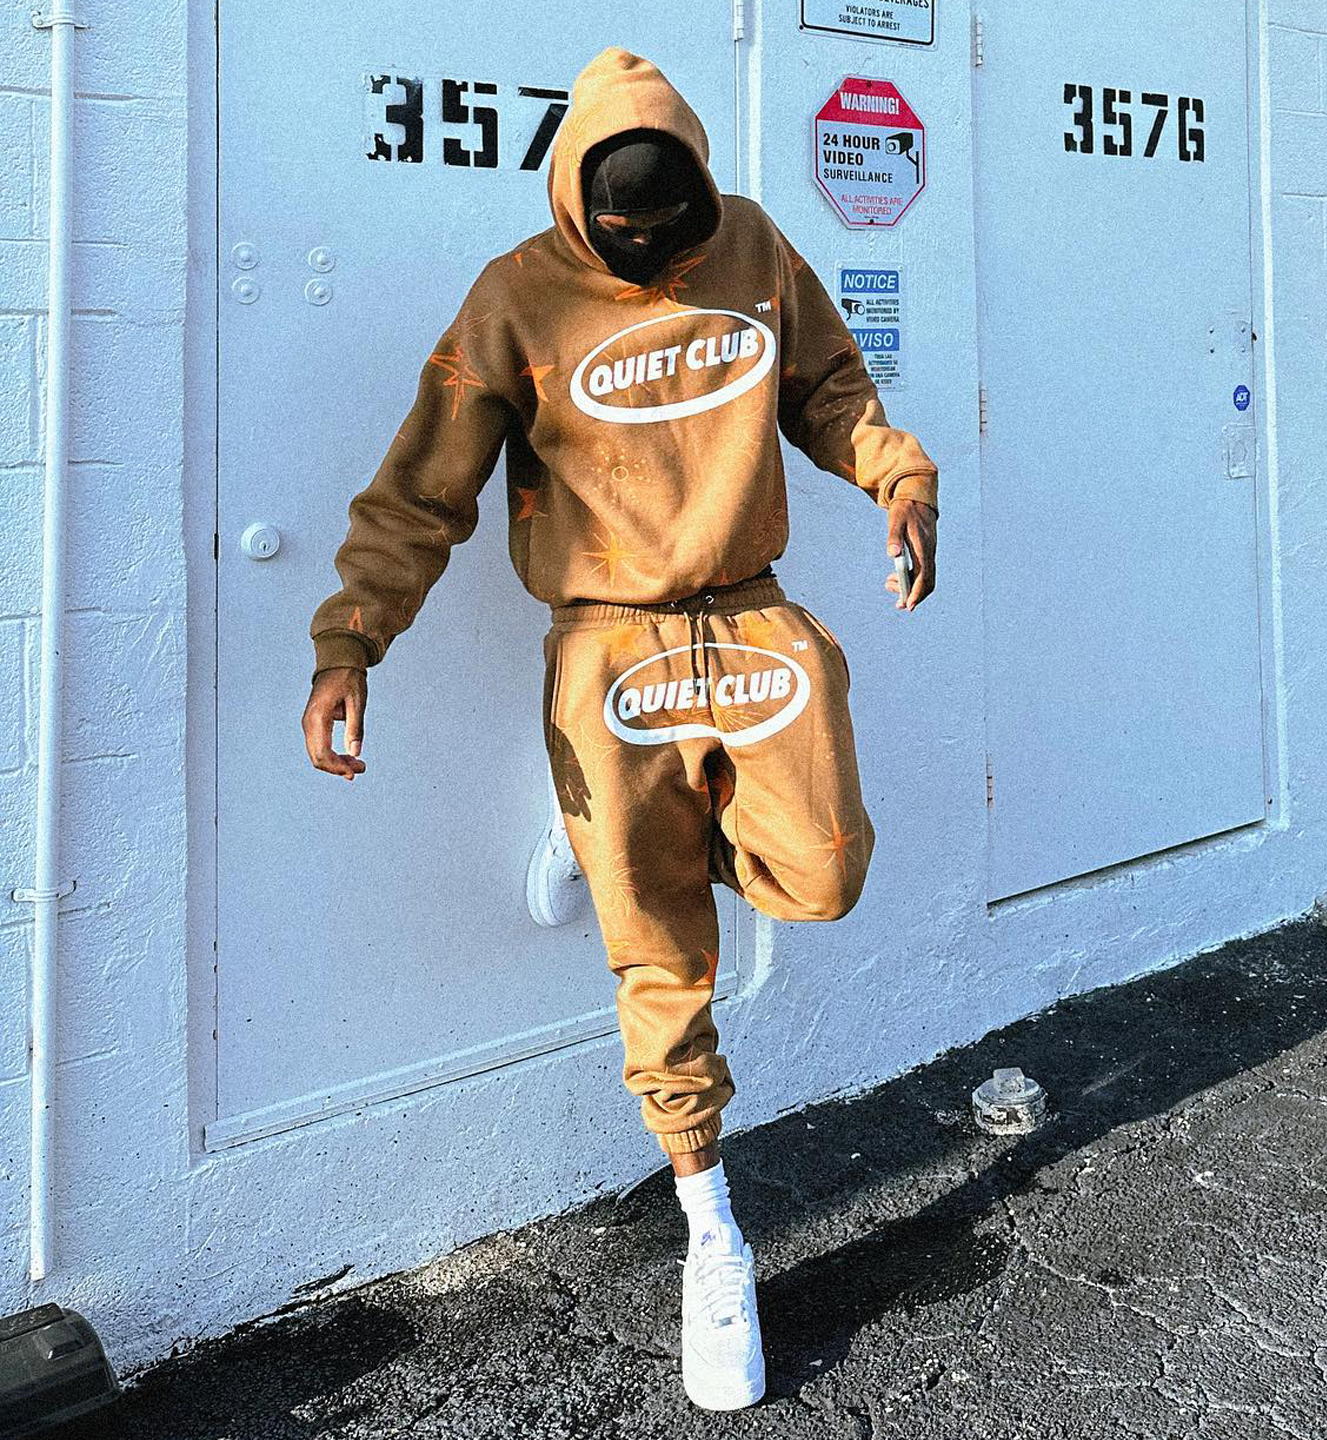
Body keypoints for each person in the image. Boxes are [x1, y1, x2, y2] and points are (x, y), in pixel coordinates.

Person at [301, 45, 939, 1413]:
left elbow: (829, 388)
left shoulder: (753, 246)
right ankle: (713, 1229)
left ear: (703, 188)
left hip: (750, 617)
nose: (648, 249)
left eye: (670, 227)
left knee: (825, 871)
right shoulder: (517, 299)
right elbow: (423, 492)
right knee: (661, 956)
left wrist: (897, 477)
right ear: (573, 204)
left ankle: (637, 830)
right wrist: (351, 640)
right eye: (619, 232)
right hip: (609, 642)